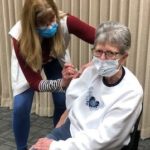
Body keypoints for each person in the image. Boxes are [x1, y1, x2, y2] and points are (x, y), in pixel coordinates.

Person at [30, 21, 143, 150]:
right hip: (72, 131)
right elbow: (72, 103)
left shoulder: (131, 91)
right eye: (98, 51)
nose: (102, 59)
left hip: (97, 145)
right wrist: (56, 133)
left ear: (123, 57)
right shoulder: (91, 71)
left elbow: (104, 139)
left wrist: (56, 146)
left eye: (110, 53)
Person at [9, 0, 95, 149]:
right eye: (44, 24)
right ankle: (21, 148)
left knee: (62, 100)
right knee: (20, 106)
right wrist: (61, 83)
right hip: (30, 60)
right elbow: (36, 84)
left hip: (54, 58)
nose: (51, 26)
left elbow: (100, 38)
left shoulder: (65, 21)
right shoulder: (19, 37)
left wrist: (94, 62)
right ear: (32, 24)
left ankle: (56, 142)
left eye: (52, 19)